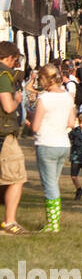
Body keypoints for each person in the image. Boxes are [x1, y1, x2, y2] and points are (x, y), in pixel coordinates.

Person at [30, 63, 77, 233]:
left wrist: (29, 119)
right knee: (53, 183)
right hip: (63, 144)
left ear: (44, 79)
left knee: (49, 185)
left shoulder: (44, 98)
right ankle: (54, 220)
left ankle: (53, 223)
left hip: (46, 143)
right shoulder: (67, 97)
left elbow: (35, 127)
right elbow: (71, 123)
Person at [0, 42, 27, 234]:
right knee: (17, 177)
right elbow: (8, 106)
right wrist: (17, 99)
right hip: (4, 131)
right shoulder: (4, 75)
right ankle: (9, 222)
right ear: (10, 58)